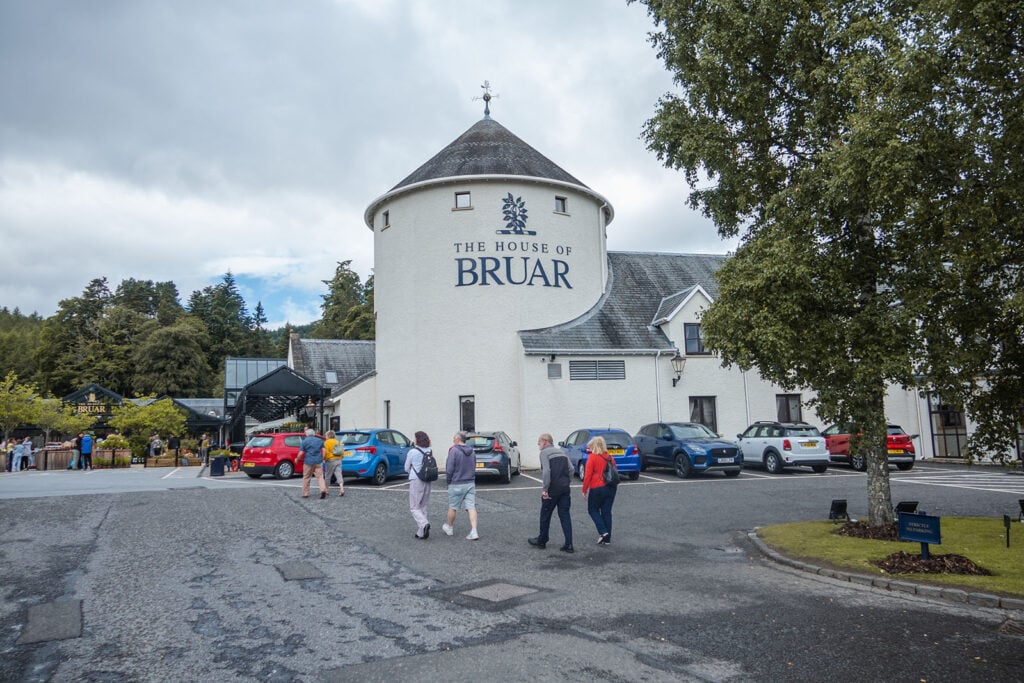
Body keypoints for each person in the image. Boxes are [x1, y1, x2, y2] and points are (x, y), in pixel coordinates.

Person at [528, 433, 574, 553]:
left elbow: (546, 471)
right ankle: (569, 544)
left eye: (539, 441)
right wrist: (567, 481)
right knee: (565, 515)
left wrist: (545, 489)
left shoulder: (544, 453)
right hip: (564, 488)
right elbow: (572, 469)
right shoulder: (562, 452)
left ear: (545, 441)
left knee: (545, 514)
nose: (538, 444)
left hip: (553, 489)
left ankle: (542, 540)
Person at [442, 431, 479, 540]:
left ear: (458, 439)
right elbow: (474, 465)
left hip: (457, 483)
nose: (453, 440)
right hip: (470, 482)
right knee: (471, 507)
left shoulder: (454, 451)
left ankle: (449, 527)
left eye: (454, 438)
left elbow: (449, 469)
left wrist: (449, 481)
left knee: (453, 507)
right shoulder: (472, 451)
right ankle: (474, 531)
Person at [582, 435, 617, 545]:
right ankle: (607, 539)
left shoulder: (592, 458)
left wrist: (584, 490)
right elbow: (615, 471)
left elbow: (587, 476)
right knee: (607, 512)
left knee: (592, 509)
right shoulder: (610, 457)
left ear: (594, 446)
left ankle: (603, 531)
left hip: (597, 487)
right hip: (611, 486)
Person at [405, 431, 433, 539]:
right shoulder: (429, 450)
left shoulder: (412, 452)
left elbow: (406, 467)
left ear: (417, 440)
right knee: (423, 506)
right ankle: (421, 532)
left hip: (416, 479)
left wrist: (411, 471)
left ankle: (424, 524)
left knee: (414, 507)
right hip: (427, 479)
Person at [299, 427, 328, 499]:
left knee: (306, 477)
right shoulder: (319, 440)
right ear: (314, 434)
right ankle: (323, 490)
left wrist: (297, 459)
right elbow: (324, 451)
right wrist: (323, 458)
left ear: (306, 434)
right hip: (318, 461)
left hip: (308, 461)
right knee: (320, 477)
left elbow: (301, 452)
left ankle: (305, 493)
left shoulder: (304, 441)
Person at [322, 430, 345, 497]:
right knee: (339, 475)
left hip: (330, 460)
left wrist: (324, 459)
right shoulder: (337, 442)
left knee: (328, 476)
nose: (325, 437)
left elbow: (326, 452)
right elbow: (342, 452)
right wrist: (341, 457)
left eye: (326, 435)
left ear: (328, 436)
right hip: (338, 460)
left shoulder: (326, 442)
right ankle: (342, 489)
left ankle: (327, 490)